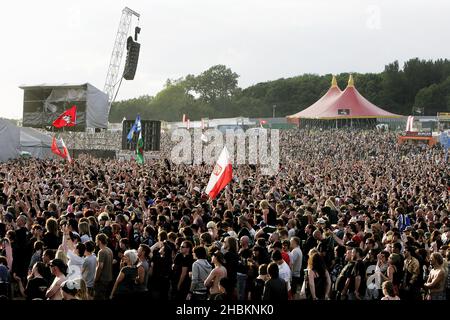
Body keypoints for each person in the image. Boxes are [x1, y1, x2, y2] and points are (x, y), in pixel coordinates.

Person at [94, 233, 113, 300]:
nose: (95, 241)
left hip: (102, 280)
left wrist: (96, 279)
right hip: (109, 278)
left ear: (99, 241)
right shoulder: (109, 250)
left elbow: (100, 267)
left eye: (96, 240)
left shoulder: (101, 252)